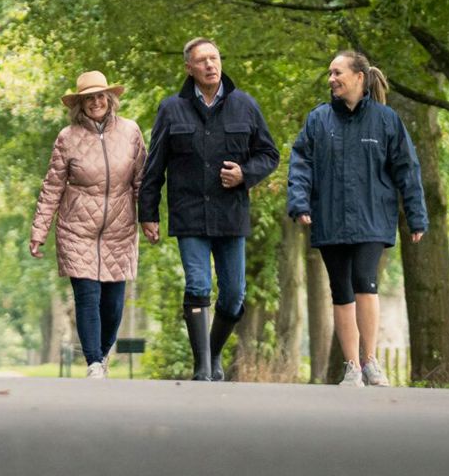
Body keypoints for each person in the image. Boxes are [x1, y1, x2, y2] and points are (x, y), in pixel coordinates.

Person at [139, 37, 279, 381]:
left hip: (231, 214)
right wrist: (148, 213)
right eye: (201, 60)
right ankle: (202, 367)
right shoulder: (171, 108)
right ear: (189, 68)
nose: (210, 65)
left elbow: (269, 155)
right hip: (189, 214)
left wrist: (245, 174)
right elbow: (154, 165)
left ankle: (213, 353)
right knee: (198, 285)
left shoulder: (244, 105)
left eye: (214, 58)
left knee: (233, 295)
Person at [288, 48, 428, 388]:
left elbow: (406, 169)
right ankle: (351, 366)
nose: (332, 79)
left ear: (359, 77)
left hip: (372, 217)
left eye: (338, 73)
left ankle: (370, 361)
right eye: (330, 74)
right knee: (341, 290)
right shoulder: (318, 119)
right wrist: (300, 202)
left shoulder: (385, 120)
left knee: (365, 281)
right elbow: (301, 163)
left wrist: (416, 215)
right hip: (330, 216)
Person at [31, 71, 146, 379]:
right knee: (87, 296)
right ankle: (94, 362)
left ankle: (103, 353)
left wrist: (149, 219)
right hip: (76, 229)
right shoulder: (67, 137)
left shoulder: (131, 131)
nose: (96, 102)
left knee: (113, 303)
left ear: (110, 99)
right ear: (79, 105)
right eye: (89, 98)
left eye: (100, 96)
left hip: (120, 229)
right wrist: (39, 231)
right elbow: (52, 186)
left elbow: (142, 181)